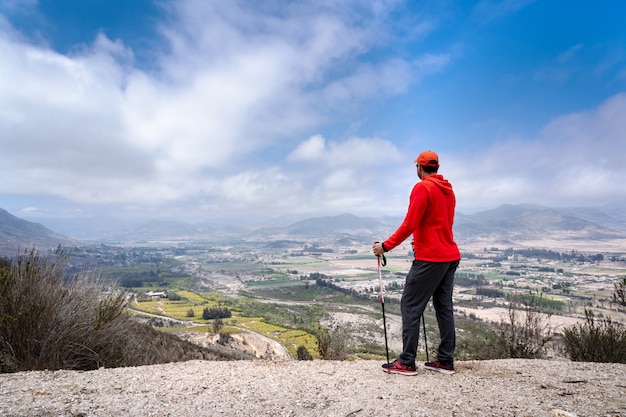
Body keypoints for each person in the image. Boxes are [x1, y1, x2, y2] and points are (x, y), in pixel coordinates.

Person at [372, 150, 461, 375]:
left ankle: (407, 362)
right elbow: (441, 224)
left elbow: (410, 223)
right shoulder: (448, 191)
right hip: (449, 256)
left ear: (419, 168)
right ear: (436, 167)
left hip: (430, 259)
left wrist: (385, 246)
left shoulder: (422, 188)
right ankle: (445, 360)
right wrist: (420, 241)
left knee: (410, 306)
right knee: (444, 307)